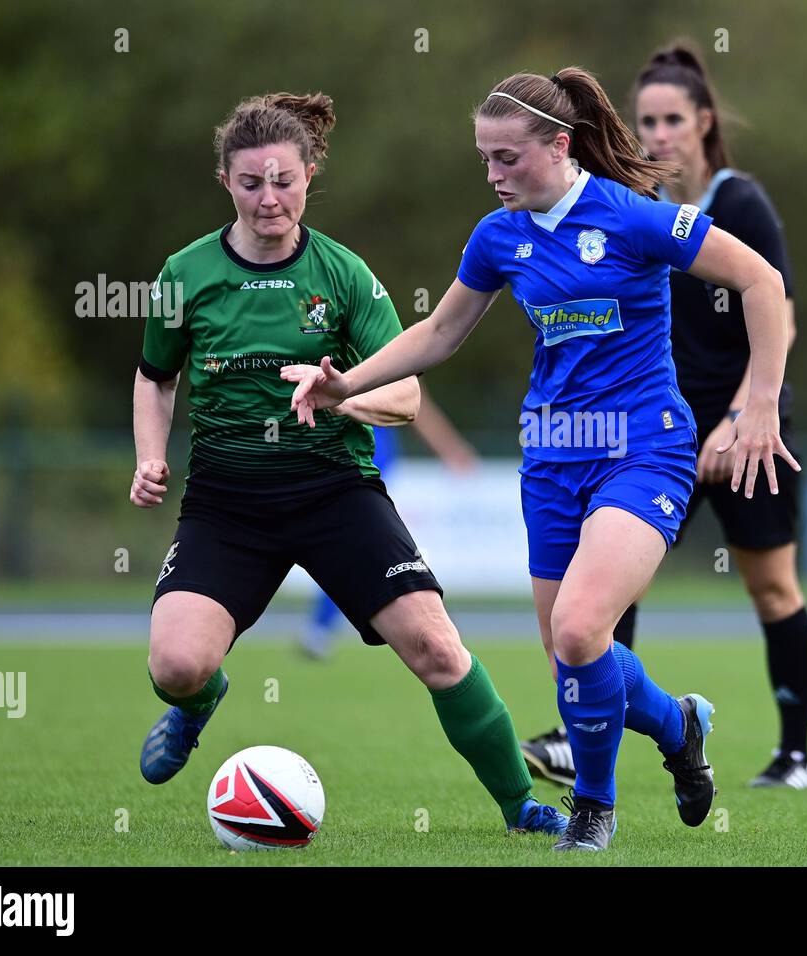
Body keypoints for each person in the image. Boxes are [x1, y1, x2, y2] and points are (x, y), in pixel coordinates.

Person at [282, 68, 796, 851]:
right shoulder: (499, 236)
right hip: (552, 461)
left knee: (585, 630)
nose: (492, 176)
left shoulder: (634, 217)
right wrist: (346, 381)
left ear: (559, 145)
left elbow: (760, 279)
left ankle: (594, 808)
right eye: (484, 160)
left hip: (645, 449)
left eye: (506, 159)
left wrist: (758, 403)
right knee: (573, 654)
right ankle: (680, 724)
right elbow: (442, 334)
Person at [131, 90, 567, 838]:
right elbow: (155, 375)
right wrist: (150, 455)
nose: (269, 199)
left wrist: (336, 396)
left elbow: (404, 395)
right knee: (175, 666)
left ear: (308, 176)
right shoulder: (185, 273)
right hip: (227, 502)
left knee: (437, 648)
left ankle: (519, 807)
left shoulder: (343, 275)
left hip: (337, 493)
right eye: (250, 183)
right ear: (226, 183)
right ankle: (201, 703)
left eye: (284, 181)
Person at [522, 43, 807, 791]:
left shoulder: (739, 203)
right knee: (609, 584)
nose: (656, 133)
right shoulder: (633, 209)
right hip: (653, 438)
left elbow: (776, 307)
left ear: (703, 122)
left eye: (671, 119)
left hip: (745, 434)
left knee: (773, 589)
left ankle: (793, 756)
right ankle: (585, 733)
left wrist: (745, 416)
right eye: (645, 119)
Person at [299, 388, 479, 660]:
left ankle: (427, 616)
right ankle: (430, 616)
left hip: (365, 451)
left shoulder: (372, 348)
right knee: (358, 547)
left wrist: (449, 448)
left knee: (358, 547)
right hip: (351, 450)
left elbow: (413, 399)